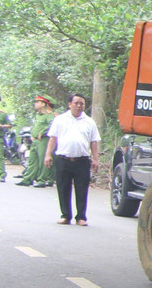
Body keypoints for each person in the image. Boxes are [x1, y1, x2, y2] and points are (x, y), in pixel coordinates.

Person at [45, 93, 101, 225]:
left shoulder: (89, 122)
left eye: (82, 103)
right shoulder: (60, 119)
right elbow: (53, 138)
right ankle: (65, 215)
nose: (79, 106)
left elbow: (94, 141)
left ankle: (81, 217)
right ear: (70, 104)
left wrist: (95, 159)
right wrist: (48, 155)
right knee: (63, 188)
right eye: (76, 103)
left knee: (82, 189)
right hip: (63, 159)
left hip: (82, 160)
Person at [15, 95, 57, 187]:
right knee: (32, 160)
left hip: (44, 140)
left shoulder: (49, 115)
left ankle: (42, 180)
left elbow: (52, 125)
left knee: (43, 160)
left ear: (43, 104)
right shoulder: (39, 114)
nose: (35, 104)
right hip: (35, 140)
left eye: (37, 102)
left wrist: (42, 132)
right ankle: (28, 179)